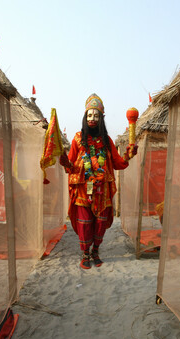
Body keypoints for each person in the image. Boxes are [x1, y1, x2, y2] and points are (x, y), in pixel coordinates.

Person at [59, 93, 137, 269]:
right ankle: (85, 253)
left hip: (103, 190)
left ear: (101, 118)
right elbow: (70, 166)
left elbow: (119, 163)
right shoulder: (78, 139)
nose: (92, 119)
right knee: (85, 223)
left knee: (101, 223)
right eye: (89, 115)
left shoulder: (107, 141)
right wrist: (65, 162)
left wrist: (128, 155)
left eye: (95, 115)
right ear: (84, 117)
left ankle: (96, 251)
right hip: (82, 190)